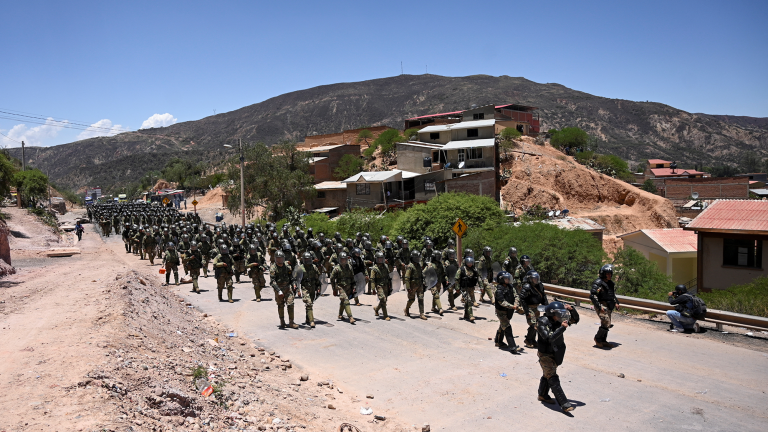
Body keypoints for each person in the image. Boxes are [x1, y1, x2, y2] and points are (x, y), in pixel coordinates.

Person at [537, 301, 579, 412]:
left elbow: (575, 320)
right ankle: (564, 403)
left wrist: (571, 309)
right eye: (559, 314)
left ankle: (542, 395)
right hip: (545, 354)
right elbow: (548, 338)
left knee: (548, 373)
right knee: (552, 376)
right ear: (552, 314)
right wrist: (562, 328)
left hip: (556, 352)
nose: (562, 316)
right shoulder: (542, 322)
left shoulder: (558, 320)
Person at [590, 264, 620, 349]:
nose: (609, 275)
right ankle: (598, 338)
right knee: (606, 322)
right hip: (601, 305)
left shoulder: (610, 284)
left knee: (607, 324)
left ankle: (603, 340)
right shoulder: (598, 283)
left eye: (610, 274)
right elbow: (593, 295)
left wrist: (616, 302)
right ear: (603, 274)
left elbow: (612, 294)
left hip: (608, 305)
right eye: (607, 274)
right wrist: (599, 306)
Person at [494, 271, 524, 352]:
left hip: (509, 310)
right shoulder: (498, 290)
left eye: (508, 278)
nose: (508, 280)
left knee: (503, 325)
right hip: (501, 311)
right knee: (507, 327)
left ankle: (498, 341)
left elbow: (516, 295)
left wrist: (516, 304)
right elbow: (502, 302)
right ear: (501, 280)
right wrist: (513, 307)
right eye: (506, 279)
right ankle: (513, 347)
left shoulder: (510, 287)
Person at [270, 251, 299, 328]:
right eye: (278, 258)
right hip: (278, 289)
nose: (280, 260)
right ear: (275, 259)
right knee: (281, 305)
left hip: (287, 288)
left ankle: (291, 322)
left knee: (290, 304)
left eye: (281, 258)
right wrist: (279, 291)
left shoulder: (287, 266)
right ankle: (282, 322)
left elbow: (291, 277)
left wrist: (294, 284)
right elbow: (272, 282)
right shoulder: (273, 268)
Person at [520, 271, 548, 348]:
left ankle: (533, 340)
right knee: (533, 324)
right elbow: (522, 299)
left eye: (537, 278)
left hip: (537, 307)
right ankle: (528, 340)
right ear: (530, 279)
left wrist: (547, 306)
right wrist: (526, 311)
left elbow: (543, 296)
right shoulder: (527, 287)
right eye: (534, 279)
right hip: (529, 307)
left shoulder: (540, 285)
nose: (536, 280)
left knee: (537, 324)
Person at [296, 252, 322, 328]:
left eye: (309, 259)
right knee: (309, 303)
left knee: (310, 304)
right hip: (305, 288)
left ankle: (307, 318)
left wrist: (318, 288)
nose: (307, 261)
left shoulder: (314, 267)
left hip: (313, 287)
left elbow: (318, 279)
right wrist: (298, 290)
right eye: (306, 259)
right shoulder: (300, 268)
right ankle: (312, 321)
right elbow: (297, 280)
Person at [330, 252, 356, 324]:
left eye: (345, 259)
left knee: (343, 301)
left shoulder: (349, 267)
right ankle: (350, 317)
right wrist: (334, 289)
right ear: (339, 260)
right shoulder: (336, 268)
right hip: (340, 287)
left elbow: (352, 278)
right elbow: (332, 279)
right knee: (346, 300)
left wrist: (354, 287)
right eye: (342, 259)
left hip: (348, 287)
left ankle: (340, 315)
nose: (343, 261)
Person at [404, 250, 427, 320]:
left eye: (418, 258)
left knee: (421, 298)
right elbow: (407, 278)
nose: (418, 259)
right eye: (416, 258)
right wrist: (408, 288)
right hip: (412, 285)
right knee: (411, 299)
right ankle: (407, 309)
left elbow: (421, 275)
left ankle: (422, 313)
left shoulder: (419, 266)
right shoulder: (410, 266)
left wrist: (424, 282)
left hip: (419, 285)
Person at [456, 256, 479, 323]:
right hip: (464, 288)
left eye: (471, 262)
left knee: (467, 301)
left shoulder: (474, 270)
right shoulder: (462, 269)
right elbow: (457, 279)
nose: (470, 264)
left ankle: (466, 314)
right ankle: (471, 315)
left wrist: (481, 287)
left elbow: (478, 278)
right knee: (468, 301)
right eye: (468, 262)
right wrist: (457, 288)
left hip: (471, 288)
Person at [370, 251, 392, 321]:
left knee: (384, 300)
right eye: (379, 259)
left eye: (381, 258)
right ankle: (385, 315)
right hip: (379, 285)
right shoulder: (374, 268)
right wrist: (373, 289)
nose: (380, 260)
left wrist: (390, 285)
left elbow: (388, 276)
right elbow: (372, 279)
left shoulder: (386, 266)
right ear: (376, 259)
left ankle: (376, 309)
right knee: (383, 299)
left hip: (385, 284)